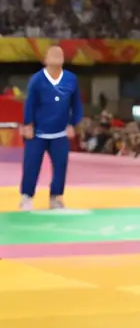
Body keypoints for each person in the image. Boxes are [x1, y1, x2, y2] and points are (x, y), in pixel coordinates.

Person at [20, 45, 82, 211]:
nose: (56, 55)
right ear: (45, 60)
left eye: (60, 53)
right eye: (52, 53)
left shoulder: (71, 79)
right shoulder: (37, 79)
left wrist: (72, 124)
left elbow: (76, 105)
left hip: (60, 133)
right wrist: (28, 124)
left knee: (61, 166)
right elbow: (30, 103)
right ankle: (26, 197)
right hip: (38, 133)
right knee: (31, 165)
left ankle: (56, 197)